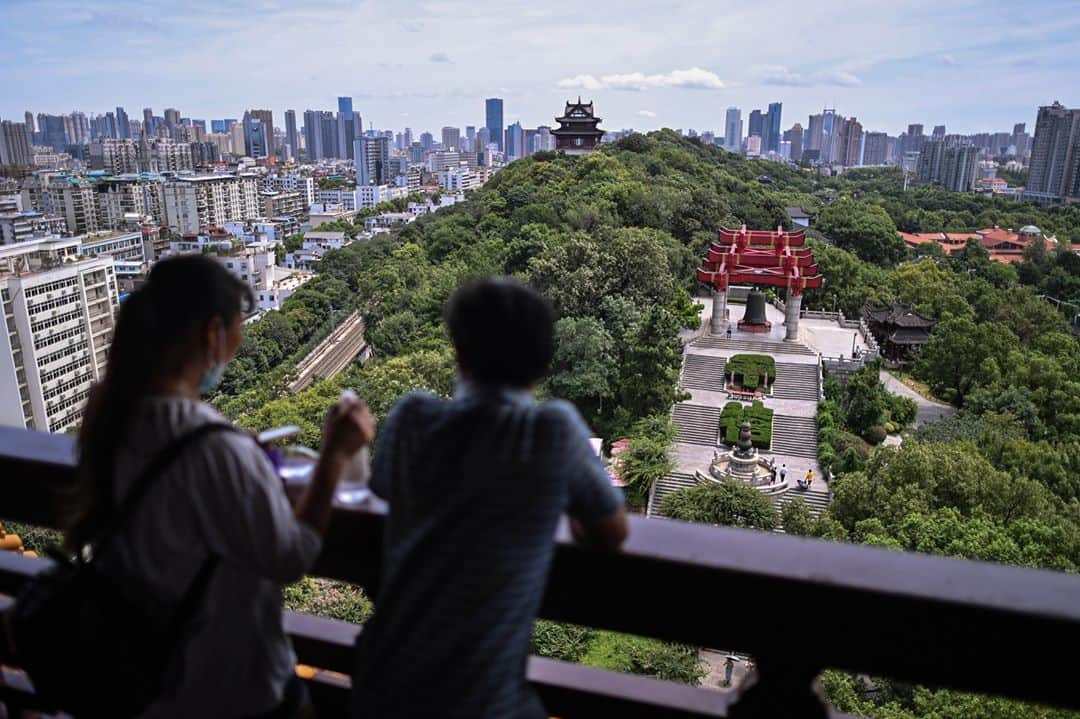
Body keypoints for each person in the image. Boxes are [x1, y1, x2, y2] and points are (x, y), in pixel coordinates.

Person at [68, 255, 374, 718]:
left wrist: (234, 459)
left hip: (145, 685)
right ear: (213, 333)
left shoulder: (107, 420)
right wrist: (334, 455)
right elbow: (290, 557)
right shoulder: (213, 449)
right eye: (238, 326)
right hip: (232, 691)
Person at [352, 277, 629, 719]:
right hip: (480, 696)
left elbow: (386, 492)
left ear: (459, 352)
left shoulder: (412, 418)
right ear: (542, 365)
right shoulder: (552, 430)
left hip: (379, 678)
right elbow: (611, 531)